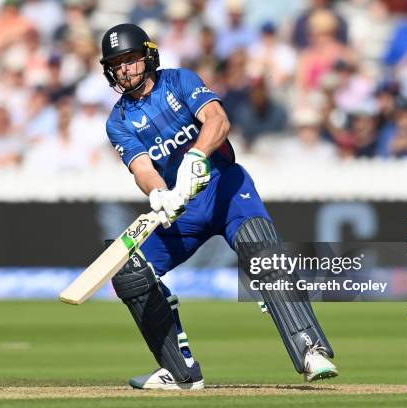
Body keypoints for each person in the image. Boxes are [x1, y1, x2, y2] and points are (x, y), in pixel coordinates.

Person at [98, 23, 338, 390]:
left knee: (262, 252)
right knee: (130, 270)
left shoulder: (179, 81)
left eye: (130, 60)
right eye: (117, 64)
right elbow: (142, 167)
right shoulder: (118, 120)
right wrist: (161, 194)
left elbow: (218, 120)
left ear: (147, 56)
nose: (124, 69)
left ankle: (310, 349)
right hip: (183, 207)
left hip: (224, 187)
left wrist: (197, 155)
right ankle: (180, 373)